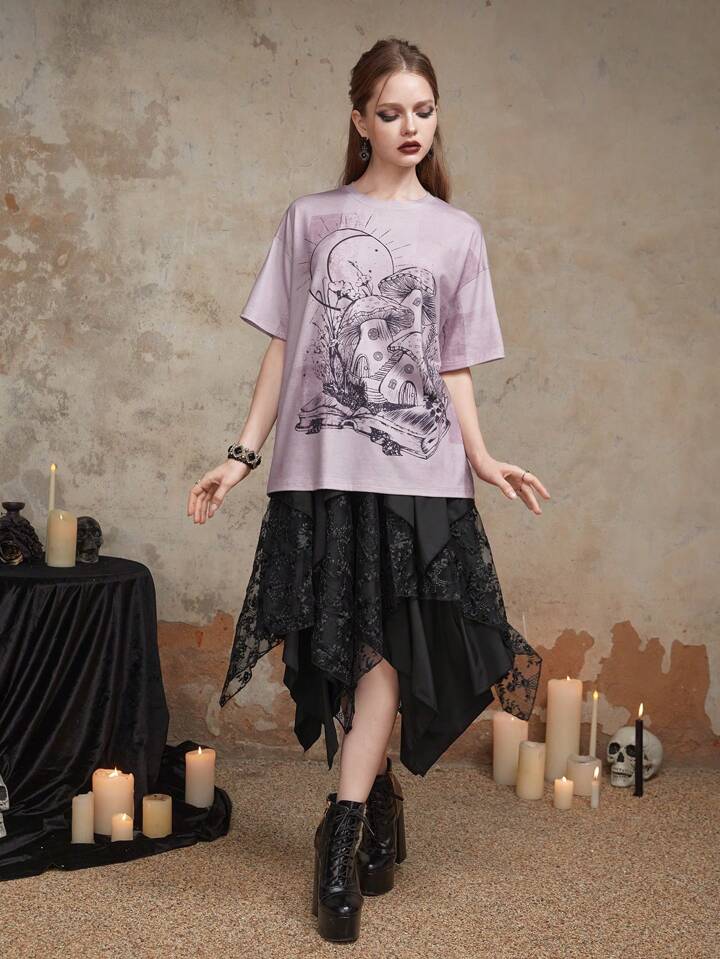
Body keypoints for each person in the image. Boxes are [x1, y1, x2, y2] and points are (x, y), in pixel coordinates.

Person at [186, 37, 550, 944]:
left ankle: (338, 836)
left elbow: (453, 364)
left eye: (423, 110)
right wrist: (240, 454)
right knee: (344, 648)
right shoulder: (311, 219)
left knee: (385, 651)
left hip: (421, 475)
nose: (409, 127)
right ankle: (379, 796)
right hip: (321, 469)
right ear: (359, 121)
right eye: (390, 112)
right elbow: (285, 345)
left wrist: (483, 456)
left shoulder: (457, 233)